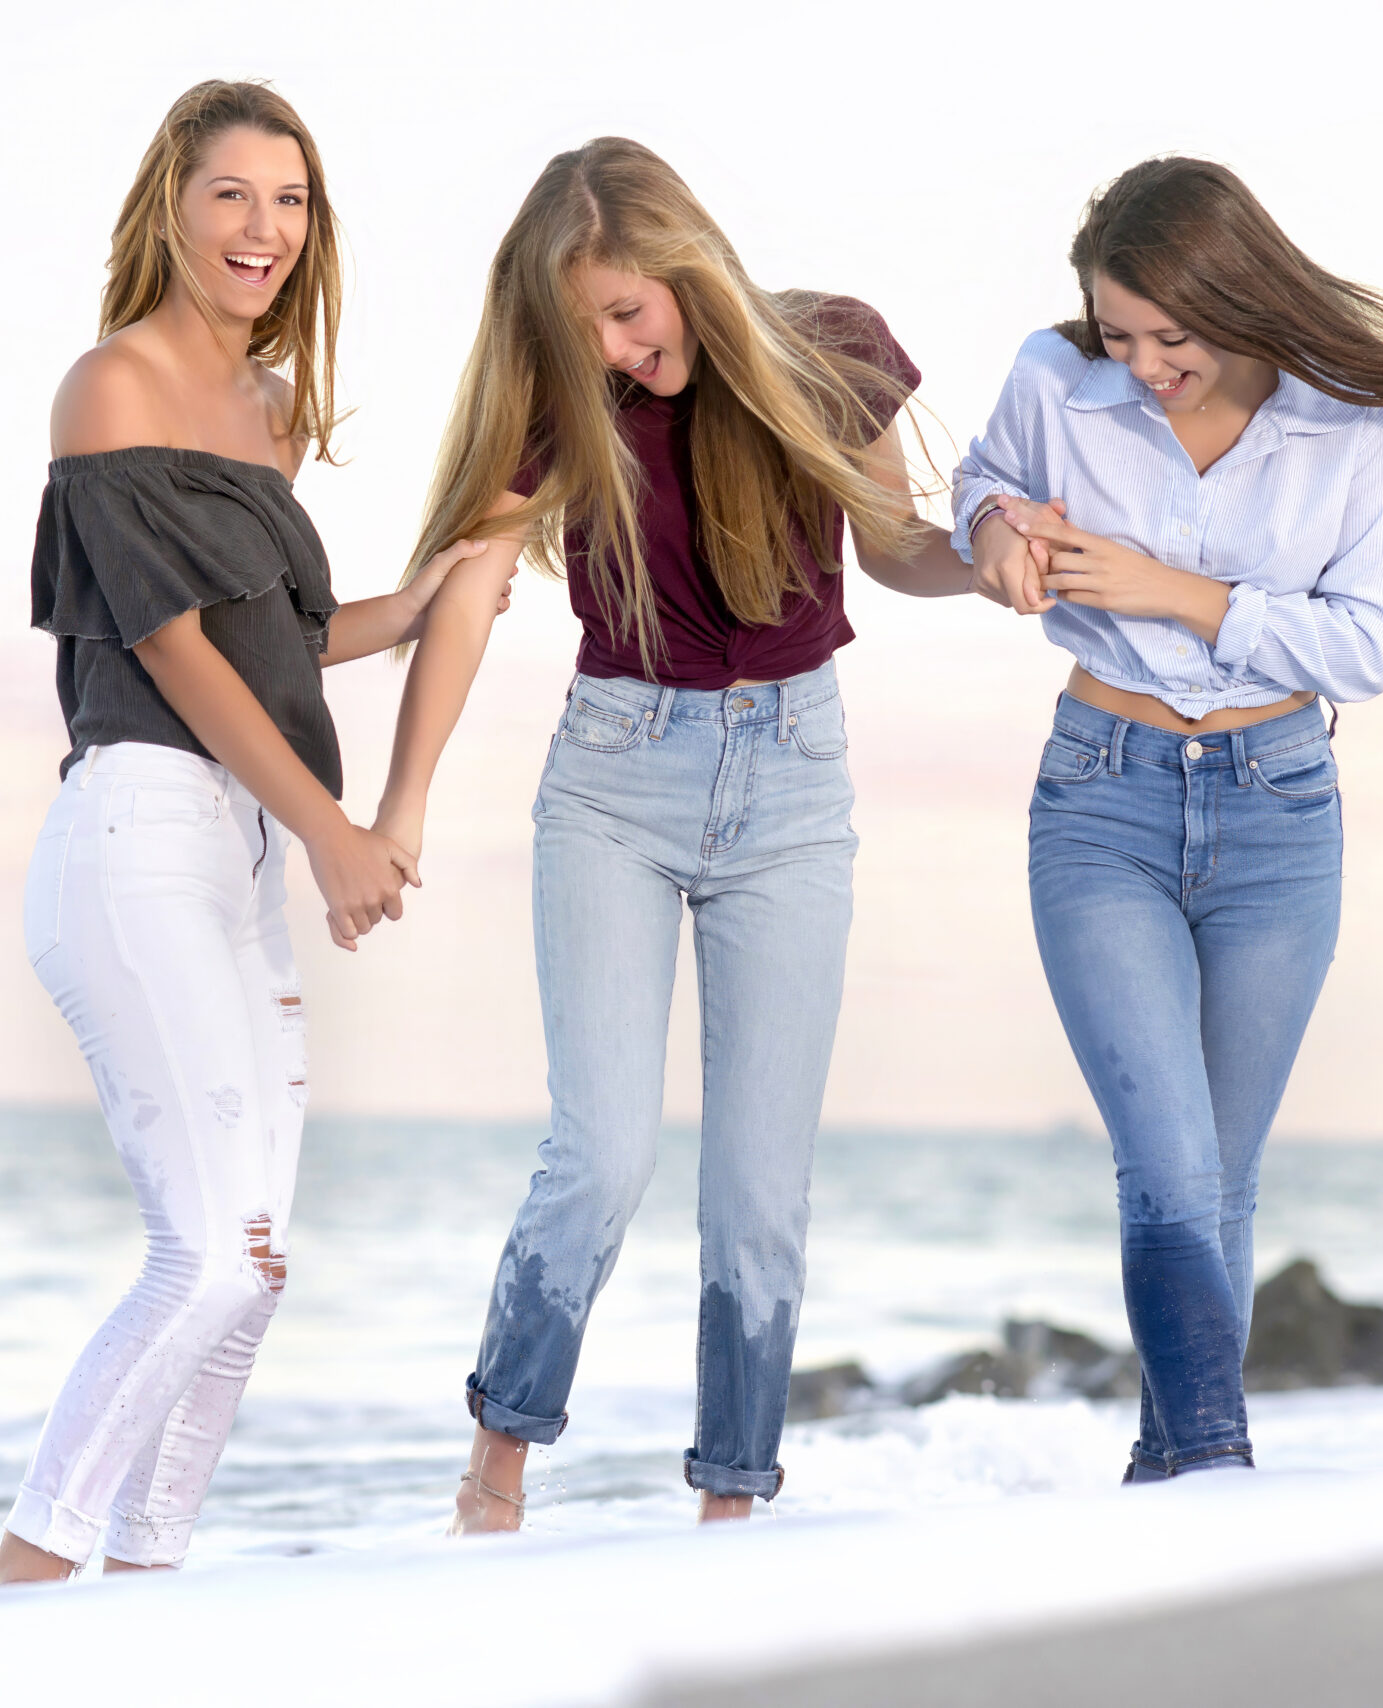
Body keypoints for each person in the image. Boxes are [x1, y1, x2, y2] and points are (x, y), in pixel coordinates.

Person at [371, 137, 977, 1532]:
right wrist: (402, 802)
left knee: (760, 1191)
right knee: (602, 1156)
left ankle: (730, 1516)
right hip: (615, 782)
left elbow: (896, 546)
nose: (611, 349)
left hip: (795, 786)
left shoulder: (833, 351)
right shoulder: (561, 401)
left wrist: (996, 569)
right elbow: (465, 597)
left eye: (625, 312)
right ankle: (494, 1479)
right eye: (579, 328)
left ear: (687, 265)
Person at [0, 80, 500, 1584]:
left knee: (256, 1270)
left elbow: (284, 643)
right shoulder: (111, 386)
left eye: (290, 201)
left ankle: (146, 1584)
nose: (263, 228)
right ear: (173, 205)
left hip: (241, 856)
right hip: (141, 831)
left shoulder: (271, 412)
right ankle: (18, 1593)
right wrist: (336, 828)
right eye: (232, 194)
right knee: (206, 1253)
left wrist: (428, 596)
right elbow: (174, 647)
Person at [954, 157, 1383, 1481]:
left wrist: (1175, 591)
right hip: (1102, 793)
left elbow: (1371, 647)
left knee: (1224, 1173)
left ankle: (1176, 1480)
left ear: (1240, 299)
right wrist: (995, 535)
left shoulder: (1351, 432)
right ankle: (1213, 1464)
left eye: (1172, 338)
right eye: (1120, 335)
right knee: (1167, 1162)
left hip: (1278, 809)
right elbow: (984, 482)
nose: (1144, 366)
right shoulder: (1054, 380)